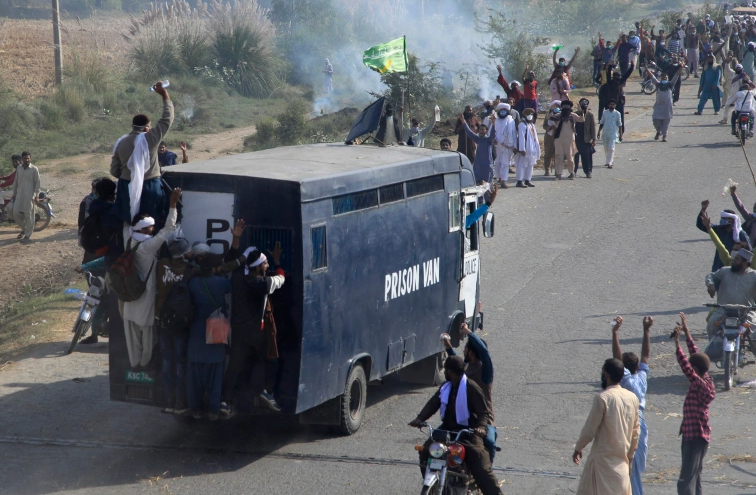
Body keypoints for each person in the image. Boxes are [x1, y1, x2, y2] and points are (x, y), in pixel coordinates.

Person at [409, 355, 502, 495]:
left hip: (468, 433)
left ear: (450, 372)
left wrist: (481, 428)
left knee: (481, 465)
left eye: (446, 370)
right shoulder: (446, 387)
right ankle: (434, 484)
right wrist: (419, 418)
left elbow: (484, 413)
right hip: (447, 430)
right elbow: (433, 404)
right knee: (425, 451)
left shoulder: (471, 387)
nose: (445, 373)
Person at [221, 228, 286, 416]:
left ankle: (225, 400)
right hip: (256, 333)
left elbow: (234, 264)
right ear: (259, 267)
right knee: (263, 361)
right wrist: (277, 262)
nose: (267, 266)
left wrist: (243, 252)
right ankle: (264, 392)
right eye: (265, 264)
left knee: (235, 365)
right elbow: (280, 279)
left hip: (238, 330)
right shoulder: (263, 284)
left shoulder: (238, 278)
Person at [121, 187, 182, 370]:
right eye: (150, 226)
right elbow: (169, 229)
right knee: (147, 330)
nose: (153, 229)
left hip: (129, 291)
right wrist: (172, 204)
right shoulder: (147, 246)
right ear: (144, 228)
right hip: (145, 292)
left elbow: (126, 223)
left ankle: (134, 363)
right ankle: (145, 363)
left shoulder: (128, 238)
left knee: (131, 330)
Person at [110, 82, 174, 229]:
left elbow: (114, 171)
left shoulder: (121, 142)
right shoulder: (149, 139)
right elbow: (166, 119)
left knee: (129, 223)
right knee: (151, 224)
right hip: (150, 187)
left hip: (127, 187)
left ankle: (130, 249)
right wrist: (165, 95)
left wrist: (127, 174)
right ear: (147, 128)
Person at [572, 358, 640, 495]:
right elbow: (635, 432)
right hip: (621, 464)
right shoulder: (632, 398)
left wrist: (578, 448)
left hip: (601, 465)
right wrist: (630, 456)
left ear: (606, 375)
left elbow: (589, 429)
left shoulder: (603, 398)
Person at [670, 317, 716, 495]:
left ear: (695, 370)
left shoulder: (699, 384)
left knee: (685, 479)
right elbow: (695, 354)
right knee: (695, 475)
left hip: (694, 436)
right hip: (696, 434)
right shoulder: (706, 378)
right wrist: (687, 332)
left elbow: (686, 366)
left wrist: (676, 343)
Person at [442, 323, 497, 462]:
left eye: (465, 349)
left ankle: (486, 471)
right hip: (461, 417)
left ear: (471, 353)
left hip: (482, 419)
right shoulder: (465, 368)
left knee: (489, 443)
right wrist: (448, 346)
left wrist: (468, 332)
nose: (463, 352)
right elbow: (456, 361)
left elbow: (484, 353)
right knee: (436, 437)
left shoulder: (485, 372)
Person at [186, 254, 232, 421]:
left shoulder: (193, 282)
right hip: (216, 331)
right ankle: (213, 410)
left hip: (196, 333)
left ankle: (196, 409)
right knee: (215, 375)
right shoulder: (223, 282)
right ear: (214, 268)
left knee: (195, 378)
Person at [611, 316, 653, 495]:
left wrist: (615, 333)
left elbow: (616, 358)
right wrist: (646, 330)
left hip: (627, 426)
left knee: (627, 469)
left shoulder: (626, 379)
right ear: (637, 367)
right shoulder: (641, 378)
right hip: (641, 426)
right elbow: (646, 355)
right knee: (634, 469)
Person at [155, 236, 194, 415]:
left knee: (167, 361)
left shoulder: (162, 264)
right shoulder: (190, 270)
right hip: (180, 323)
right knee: (180, 362)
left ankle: (168, 400)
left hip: (163, 320)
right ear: (186, 253)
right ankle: (180, 402)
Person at [705, 247, 756, 338]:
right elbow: (710, 276)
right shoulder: (725, 271)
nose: (734, 260)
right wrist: (710, 285)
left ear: (745, 263)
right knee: (712, 324)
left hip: (746, 312)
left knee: (754, 333)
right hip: (723, 310)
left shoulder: (754, 275)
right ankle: (713, 350)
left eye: (737, 259)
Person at [696, 199, 751, 271]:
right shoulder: (719, 229)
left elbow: (749, 252)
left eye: (725, 219)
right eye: (722, 219)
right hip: (718, 268)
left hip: (733, 269)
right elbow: (701, 225)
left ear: (732, 220)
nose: (722, 221)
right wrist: (703, 209)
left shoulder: (741, 234)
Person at [10, 151, 40, 245]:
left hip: (29, 195)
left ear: (30, 158)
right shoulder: (19, 168)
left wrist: (37, 195)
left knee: (29, 215)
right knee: (15, 212)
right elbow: (16, 182)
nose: (26, 160)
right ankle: (24, 229)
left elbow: (37, 183)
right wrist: (14, 194)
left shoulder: (34, 169)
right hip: (19, 195)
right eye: (25, 158)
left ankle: (27, 235)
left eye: (28, 158)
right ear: (22, 159)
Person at [649, 64, 683, 142]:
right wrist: (647, 69)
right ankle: (658, 131)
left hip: (667, 107)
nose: (664, 78)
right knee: (655, 121)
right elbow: (652, 77)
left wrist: (681, 67)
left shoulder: (670, 84)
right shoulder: (658, 84)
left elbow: (676, 75)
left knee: (666, 123)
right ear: (661, 78)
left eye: (666, 77)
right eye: (663, 77)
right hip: (658, 106)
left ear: (667, 78)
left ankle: (664, 136)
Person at [553, 100, 584, 180]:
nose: (566, 108)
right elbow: (551, 119)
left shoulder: (573, 116)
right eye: (564, 106)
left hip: (569, 139)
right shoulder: (558, 115)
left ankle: (571, 172)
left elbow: (581, 119)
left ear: (570, 107)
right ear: (561, 107)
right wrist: (552, 110)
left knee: (570, 157)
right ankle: (559, 173)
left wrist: (580, 111)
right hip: (559, 139)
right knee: (559, 156)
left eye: (567, 106)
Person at [463, 117, 496, 185]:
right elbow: (469, 133)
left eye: (483, 129)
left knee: (486, 185)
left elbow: (493, 134)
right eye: (480, 129)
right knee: (478, 184)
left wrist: (494, 123)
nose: (481, 131)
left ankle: (487, 195)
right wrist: (463, 122)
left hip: (487, 166)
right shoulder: (478, 139)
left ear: (486, 131)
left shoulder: (488, 140)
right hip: (478, 165)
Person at [492, 103, 517, 189]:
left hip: (508, 144)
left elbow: (514, 133)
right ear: (499, 111)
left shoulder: (511, 120)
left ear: (507, 111)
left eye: (505, 110)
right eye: (501, 110)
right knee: (498, 162)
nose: (503, 112)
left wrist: (515, 145)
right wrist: (493, 140)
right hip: (498, 144)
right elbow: (493, 131)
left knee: (505, 163)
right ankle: (499, 178)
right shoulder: (496, 120)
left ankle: (504, 180)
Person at [515, 108, 540, 187]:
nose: (530, 116)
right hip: (525, 148)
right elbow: (521, 137)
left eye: (531, 114)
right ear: (524, 115)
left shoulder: (531, 124)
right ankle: (519, 181)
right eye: (528, 114)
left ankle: (527, 180)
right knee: (522, 165)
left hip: (531, 148)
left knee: (530, 164)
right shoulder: (522, 124)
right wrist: (522, 149)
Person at [573, 98, 597, 178]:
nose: (584, 107)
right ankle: (574, 172)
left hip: (586, 140)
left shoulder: (590, 115)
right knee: (575, 157)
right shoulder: (575, 114)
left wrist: (594, 139)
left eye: (585, 106)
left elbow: (593, 127)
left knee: (587, 157)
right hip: (576, 139)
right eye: (582, 106)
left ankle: (588, 171)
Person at [597, 100, 623, 169]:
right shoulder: (605, 113)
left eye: (613, 104)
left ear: (615, 105)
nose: (612, 106)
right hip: (605, 133)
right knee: (606, 148)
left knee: (611, 147)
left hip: (613, 133)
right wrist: (599, 131)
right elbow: (601, 122)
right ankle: (607, 160)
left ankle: (610, 163)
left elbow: (620, 125)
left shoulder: (618, 114)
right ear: (608, 105)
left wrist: (621, 135)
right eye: (610, 104)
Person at [78, 180, 98, 264]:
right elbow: (81, 220)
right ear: (92, 189)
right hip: (90, 234)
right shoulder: (86, 201)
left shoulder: (108, 200)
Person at [542, 101, 561, 176]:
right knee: (548, 154)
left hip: (558, 137)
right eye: (555, 106)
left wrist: (558, 128)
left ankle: (557, 170)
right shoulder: (548, 115)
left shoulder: (562, 115)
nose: (556, 107)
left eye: (558, 106)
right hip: (549, 137)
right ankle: (547, 170)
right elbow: (544, 125)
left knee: (557, 154)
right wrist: (550, 127)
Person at [0, 154, 20, 222]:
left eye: (16, 162)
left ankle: (4, 214)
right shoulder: (18, 169)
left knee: (1, 194)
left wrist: (0, 185)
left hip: (19, 191)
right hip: (18, 190)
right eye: (13, 162)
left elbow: (10, 181)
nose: (14, 163)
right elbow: (9, 177)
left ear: (20, 162)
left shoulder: (19, 170)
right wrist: (1, 178)